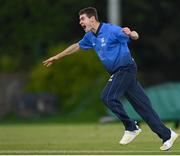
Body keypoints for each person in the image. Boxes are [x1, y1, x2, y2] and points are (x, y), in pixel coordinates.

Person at [43, 7, 178, 150]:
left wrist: (131, 33)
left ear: (92, 19)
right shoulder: (90, 37)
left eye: (82, 19)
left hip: (126, 69)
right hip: (119, 73)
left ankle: (131, 127)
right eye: (79, 19)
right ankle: (168, 135)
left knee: (107, 97)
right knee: (143, 108)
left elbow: (134, 35)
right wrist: (57, 57)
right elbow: (76, 46)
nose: (80, 22)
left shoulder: (111, 30)